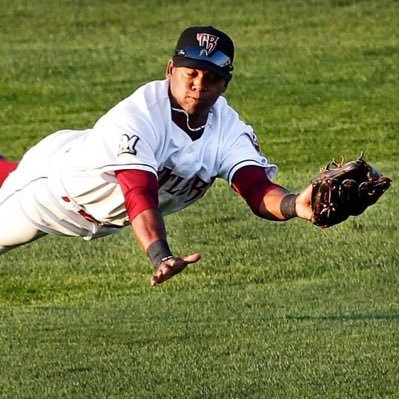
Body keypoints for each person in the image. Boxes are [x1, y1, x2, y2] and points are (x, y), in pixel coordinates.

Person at [0, 26, 313, 286]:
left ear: (225, 83)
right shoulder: (140, 116)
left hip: (90, 179)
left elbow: (256, 188)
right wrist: (160, 254)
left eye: (211, 78)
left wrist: (295, 204)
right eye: (191, 73)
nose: (198, 85)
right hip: (50, 194)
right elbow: (138, 193)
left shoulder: (228, 129)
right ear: (170, 70)